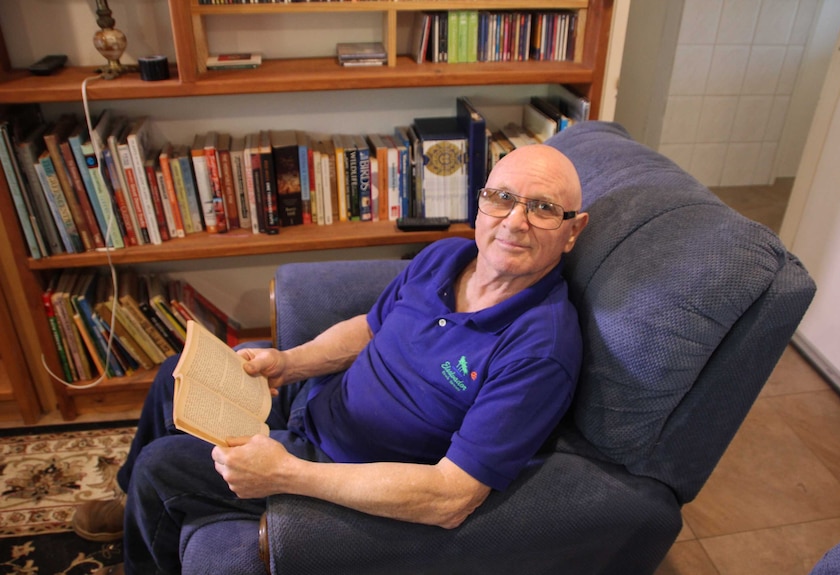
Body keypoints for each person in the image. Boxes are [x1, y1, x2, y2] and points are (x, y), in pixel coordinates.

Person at [73, 143, 590, 575]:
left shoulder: (539, 351)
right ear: (481, 204)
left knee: (162, 468)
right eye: (501, 198)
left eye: (543, 208)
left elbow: (452, 497)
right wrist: (288, 364)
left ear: (573, 230)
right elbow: (368, 329)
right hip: (317, 400)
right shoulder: (447, 256)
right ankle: (129, 505)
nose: (515, 222)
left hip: (338, 466)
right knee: (173, 377)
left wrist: (287, 474)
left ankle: (145, 521)